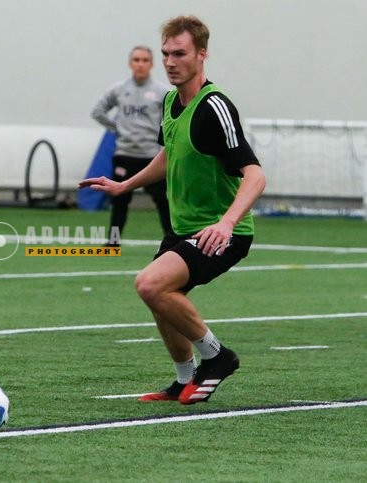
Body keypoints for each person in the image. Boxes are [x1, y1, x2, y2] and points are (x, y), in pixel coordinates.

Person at [79, 15, 266, 404]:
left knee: (150, 284)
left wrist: (227, 223)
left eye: (179, 53)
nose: (169, 61)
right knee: (161, 300)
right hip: (184, 228)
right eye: (165, 53)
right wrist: (125, 185)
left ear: (202, 54)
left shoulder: (214, 107)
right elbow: (169, 154)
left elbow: (255, 175)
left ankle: (218, 356)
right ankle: (183, 380)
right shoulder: (169, 101)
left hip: (221, 232)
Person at [91, 46, 172, 246]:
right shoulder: (119, 90)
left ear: (152, 64)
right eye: (136, 60)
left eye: (145, 60)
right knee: (119, 201)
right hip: (125, 155)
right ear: (130, 63)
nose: (140, 64)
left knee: (163, 202)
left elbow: (174, 118)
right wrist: (117, 128)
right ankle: (112, 243)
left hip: (152, 158)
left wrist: (163, 139)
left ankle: (172, 242)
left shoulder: (162, 92)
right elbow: (97, 111)